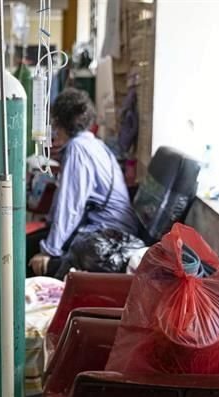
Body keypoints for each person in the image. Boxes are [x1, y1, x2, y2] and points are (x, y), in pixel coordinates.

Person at [28, 88, 140, 277]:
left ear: (60, 122)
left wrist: (48, 251)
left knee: (28, 259)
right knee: (29, 243)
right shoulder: (94, 143)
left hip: (108, 238)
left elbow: (70, 206)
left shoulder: (77, 148)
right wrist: (49, 227)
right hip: (112, 231)